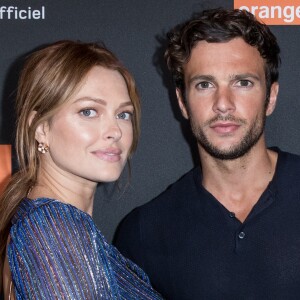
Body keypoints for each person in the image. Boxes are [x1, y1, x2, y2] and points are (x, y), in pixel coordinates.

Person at [114, 8, 300, 299]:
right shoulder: (145, 233)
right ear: (182, 102)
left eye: (243, 83)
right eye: (204, 84)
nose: (223, 104)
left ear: (271, 97)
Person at [0, 40, 162, 299]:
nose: (115, 131)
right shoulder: (52, 230)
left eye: (123, 114)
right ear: (40, 128)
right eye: (88, 111)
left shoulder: (49, 223)